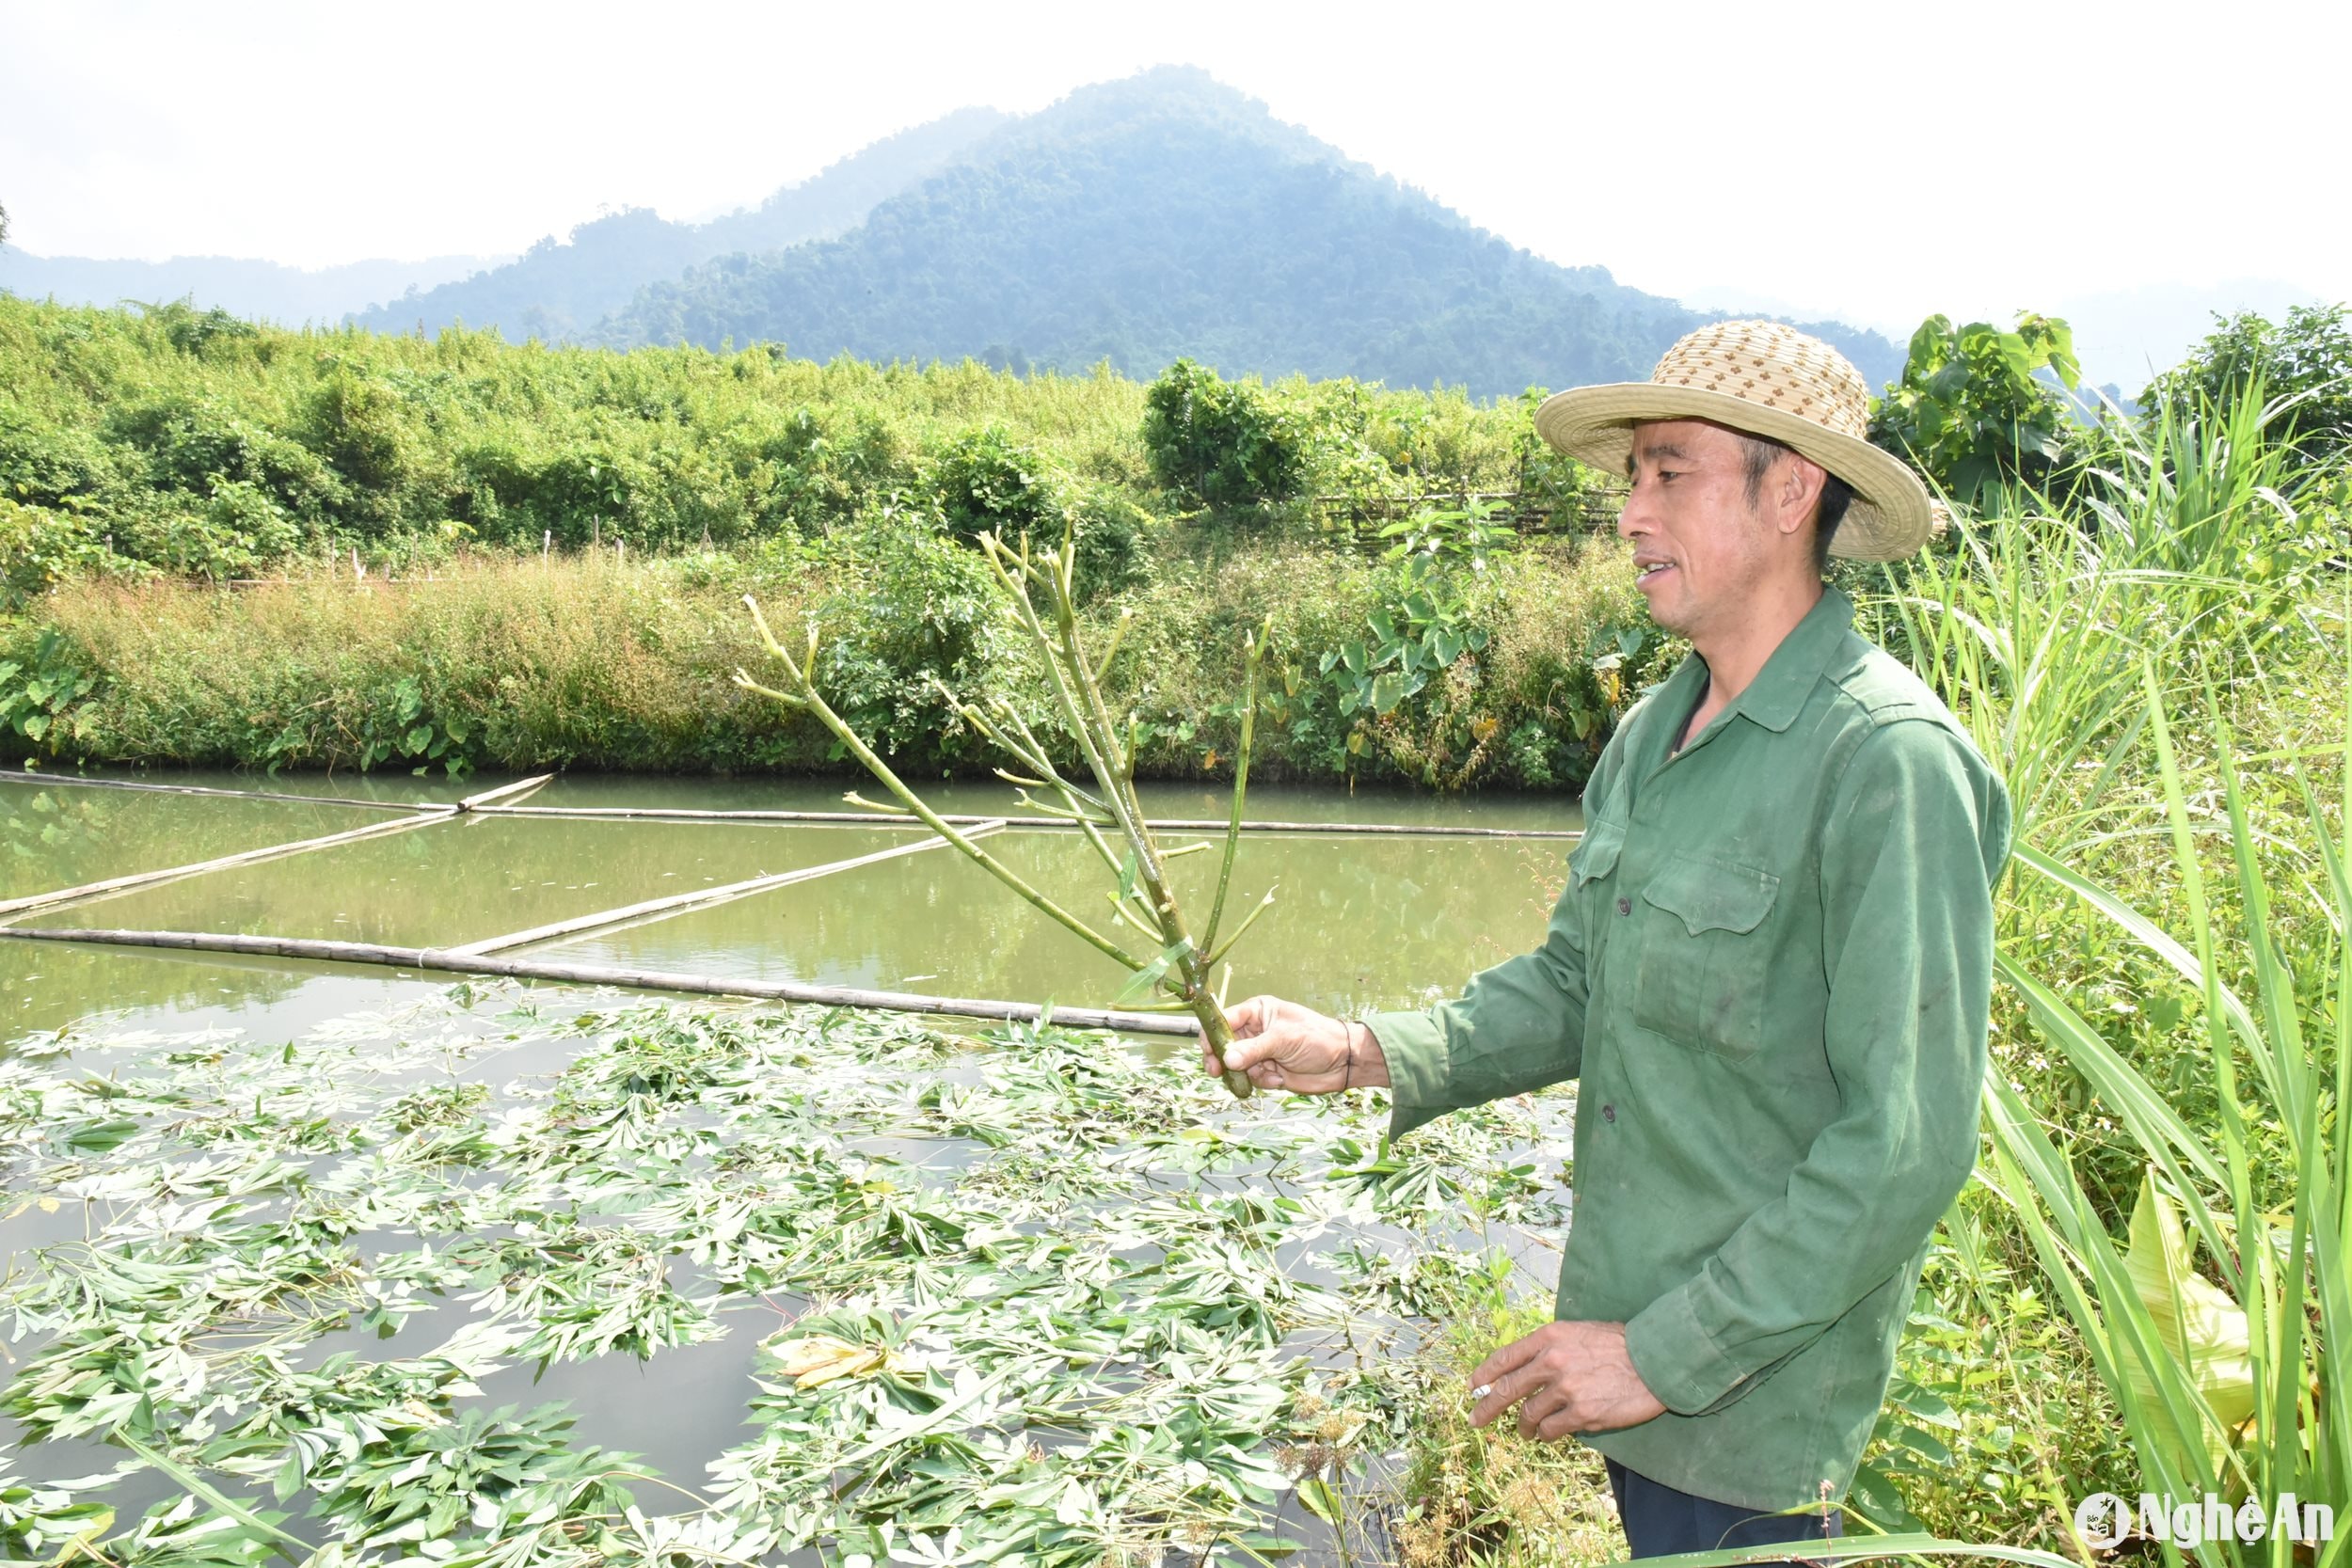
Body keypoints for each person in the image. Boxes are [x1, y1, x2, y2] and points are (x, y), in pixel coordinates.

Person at [1203, 322, 2012, 1559]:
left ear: (1788, 490)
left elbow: (1904, 1145)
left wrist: (1660, 1353)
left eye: (1668, 473)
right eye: (1630, 477)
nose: (1629, 513)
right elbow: (1578, 979)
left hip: (1752, 1409)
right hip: (1637, 1361)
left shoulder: (1887, 765)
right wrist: (1363, 1049)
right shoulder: (1655, 734)